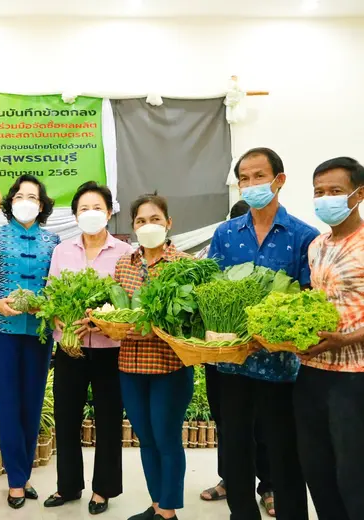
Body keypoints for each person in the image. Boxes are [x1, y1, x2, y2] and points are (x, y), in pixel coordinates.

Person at [208, 147, 317, 520]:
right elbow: (211, 288)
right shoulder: (225, 234)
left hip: (281, 368)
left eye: (258, 176)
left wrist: (277, 328)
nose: (251, 184)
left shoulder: (304, 236)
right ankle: (242, 514)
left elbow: (309, 299)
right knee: (236, 451)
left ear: (279, 181)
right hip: (233, 365)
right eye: (244, 179)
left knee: (285, 452)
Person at [42, 182, 132, 515]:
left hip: (110, 350)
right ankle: (67, 486)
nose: (90, 214)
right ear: (75, 215)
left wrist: (104, 323)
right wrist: (60, 321)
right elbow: (51, 297)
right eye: (83, 209)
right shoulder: (62, 251)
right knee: (66, 418)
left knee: (108, 420)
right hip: (70, 350)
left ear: (109, 212)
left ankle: (103, 489)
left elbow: (128, 304)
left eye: (97, 208)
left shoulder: (124, 253)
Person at [0, 175, 60, 510]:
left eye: (33, 197)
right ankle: (15, 482)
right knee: (8, 405)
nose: (26, 201)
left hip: (37, 334)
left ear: (42, 206)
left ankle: (23, 475)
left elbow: (55, 287)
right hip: (0, 333)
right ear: (11, 202)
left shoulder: (53, 241)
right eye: (20, 195)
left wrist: (46, 304)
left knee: (32, 404)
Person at [114, 193, 194, 520]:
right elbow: (118, 312)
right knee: (145, 438)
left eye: (155, 220)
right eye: (141, 221)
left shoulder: (185, 265)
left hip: (169, 366)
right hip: (131, 365)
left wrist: (155, 326)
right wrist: (108, 324)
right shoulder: (124, 264)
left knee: (166, 436)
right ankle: (158, 505)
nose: (148, 226)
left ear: (169, 223)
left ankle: (169, 510)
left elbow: (192, 321)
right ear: (133, 227)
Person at [198, 200, 276, 517]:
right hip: (222, 359)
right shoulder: (219, 246)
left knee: (263, 426)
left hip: (264, 359)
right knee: (227, 425)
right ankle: (229, 479)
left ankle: (269, 486)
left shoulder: (271, 259)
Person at [296, 157, 364, 520]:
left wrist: (347, 339)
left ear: (359, 194)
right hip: (310, 372)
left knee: (353, 476)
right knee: (318, 472)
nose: (325, 199)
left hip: (354, 377)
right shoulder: (317, 245)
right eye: (319, 192)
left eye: (335, 191)